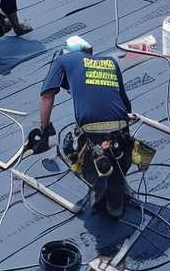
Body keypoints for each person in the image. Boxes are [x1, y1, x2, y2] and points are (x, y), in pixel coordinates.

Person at [32, 36, 136, 217]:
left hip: (91, 125)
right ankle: (116, 195)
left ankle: (102, 190)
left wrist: (44, 129)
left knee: (80, 153)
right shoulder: (110, 62)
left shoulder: (62, 60)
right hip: (120, 123)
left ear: (68, 52)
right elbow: (125, 104)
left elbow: (46, 96)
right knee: (118, 150)